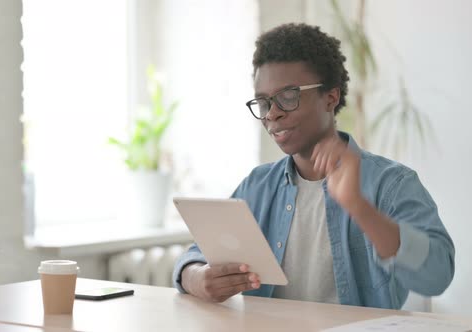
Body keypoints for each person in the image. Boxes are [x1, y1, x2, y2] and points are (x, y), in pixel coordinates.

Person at [172, 23, 455, 309]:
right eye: (263, 102)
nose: (272, 114)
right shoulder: (257, 186)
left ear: (330, 98)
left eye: (288, 97)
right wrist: (197, 278)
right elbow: (196, 256)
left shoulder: (391, 183)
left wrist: (359, 207)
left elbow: (438, 276)